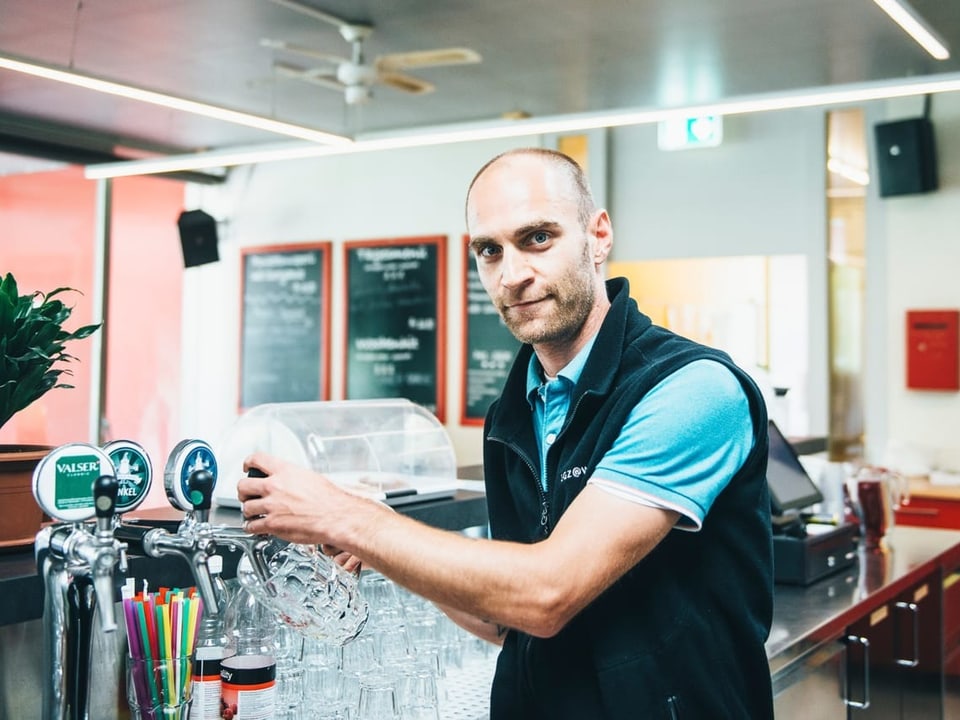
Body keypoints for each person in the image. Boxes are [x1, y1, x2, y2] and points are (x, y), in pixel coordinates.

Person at [238, 147, 774, 719]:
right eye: (489, 251)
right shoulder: (515, 413)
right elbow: (505, 619)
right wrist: (382, 544)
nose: (513, 275)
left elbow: (547, 593)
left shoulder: (691, 390)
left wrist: (350, 517)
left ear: (598, 236)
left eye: (537, 238)